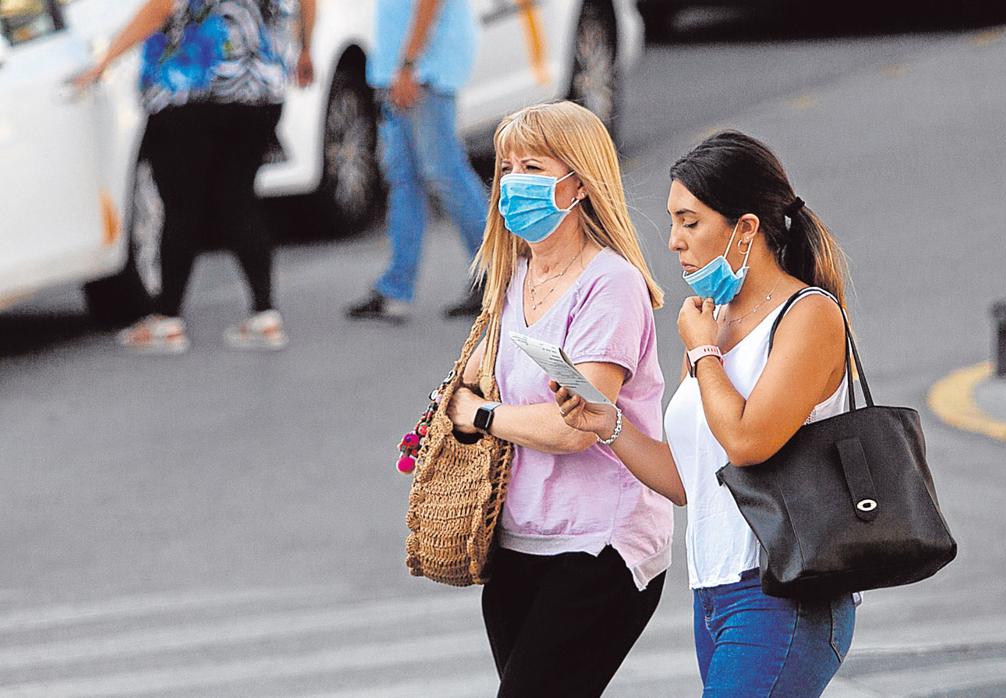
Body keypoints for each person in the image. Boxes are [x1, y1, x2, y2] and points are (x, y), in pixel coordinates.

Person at [552, 130, 858, 696]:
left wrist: (702, 352)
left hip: (784, 592)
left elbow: (747, 442)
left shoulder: (808, 315)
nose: (673, 241)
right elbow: (689, 481)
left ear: (745, 228)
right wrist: (608, 424)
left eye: (690, 222)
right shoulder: (715, 321)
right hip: (714, 591)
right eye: (673, 222)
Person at [443, 101, 672, 696]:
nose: (515, 182)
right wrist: (471, 405)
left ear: (580, 184)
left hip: (601, 544)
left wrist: (482, 415)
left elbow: (574, 427)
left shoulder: (609, 284)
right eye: (508, 167)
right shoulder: (514, 272)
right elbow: (472, 382)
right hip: (517, 539)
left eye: (535, 168)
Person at [74, 0, 316, 353]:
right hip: (259, 89)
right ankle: (265, 314)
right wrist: (305, 49)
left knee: (181, 205)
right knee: (239, 200)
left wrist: (104, 61)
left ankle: (167, 318)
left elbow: (160, 8)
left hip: (189, 89)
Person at [345, 0, 488, 323]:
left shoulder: (415, 66)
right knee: (405, 178)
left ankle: (496, 272)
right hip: (404, 69)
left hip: (422, 69)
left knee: (444, 172)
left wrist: (410, 64)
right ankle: (396, 287)